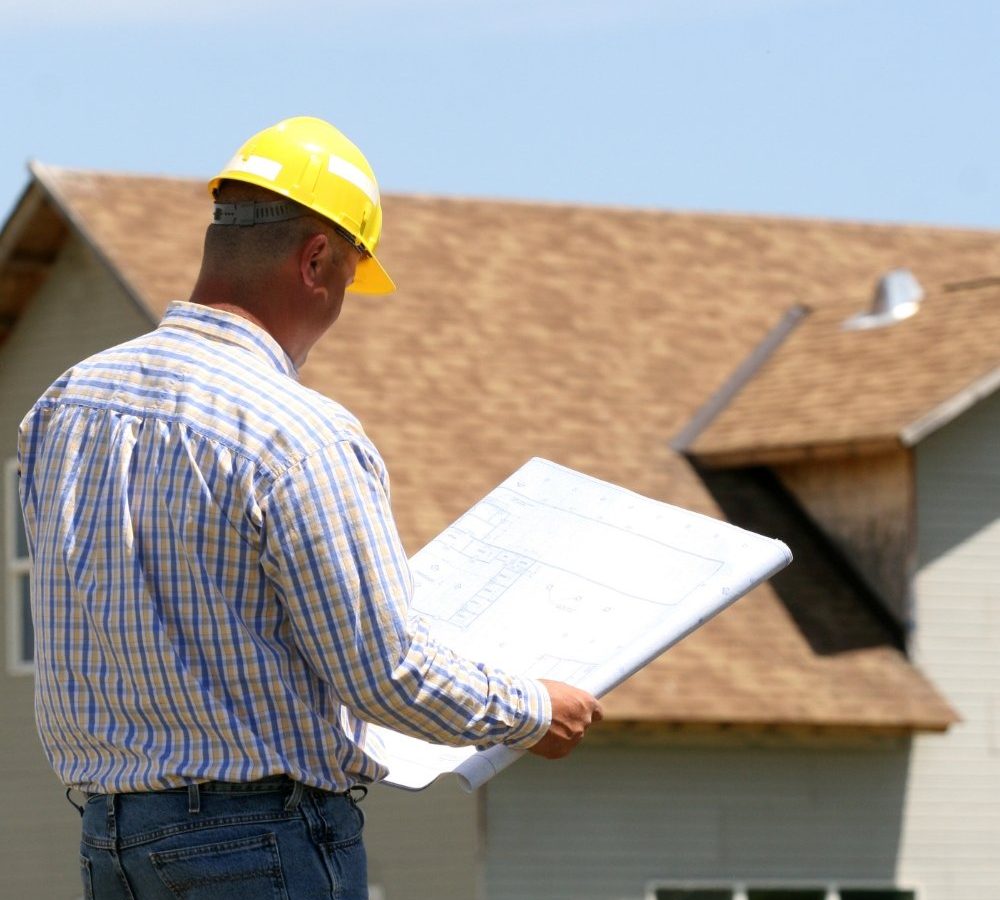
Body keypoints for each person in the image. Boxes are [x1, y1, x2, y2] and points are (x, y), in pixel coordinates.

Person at [18, 116, 601, 899]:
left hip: (111, 840)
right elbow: (384, 672)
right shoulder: (299, 435)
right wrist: (532, 711)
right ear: (317, 257)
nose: (340, 306)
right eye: (352, 278)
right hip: (259, 840)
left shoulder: (63, 408)